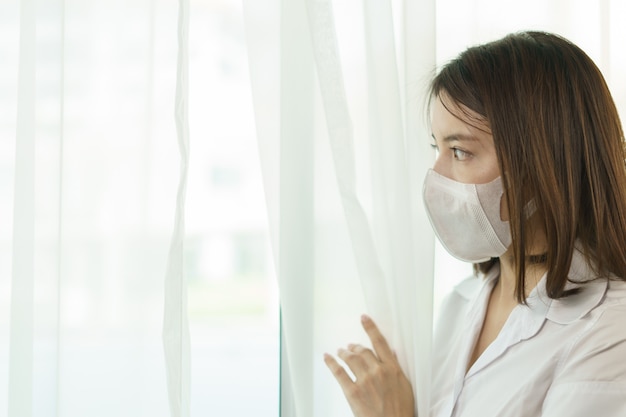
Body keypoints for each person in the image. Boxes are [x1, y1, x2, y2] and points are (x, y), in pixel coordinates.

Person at [323, 31, 626, 417]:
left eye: (460, 151)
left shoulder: (610, 330)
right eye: (437, 148)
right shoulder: (462, 301)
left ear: (540, 164)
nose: (436, 176)